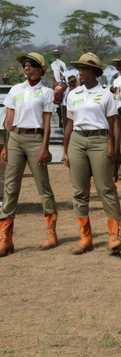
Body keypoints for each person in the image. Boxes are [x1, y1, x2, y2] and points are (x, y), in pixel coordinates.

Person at [61, 53, 121, 255]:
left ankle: (114, 236)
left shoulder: (105, 94)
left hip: (100, 140)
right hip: (77, 140)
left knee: (105, 188)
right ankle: (85, 238)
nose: (80, 73)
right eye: (79, 69)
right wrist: (65, 148)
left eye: (85, 69)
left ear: (95, 72)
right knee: (79, 191)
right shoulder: (73, 94)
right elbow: (69, 123)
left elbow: (114, 122)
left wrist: (114, 148)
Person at [0, 52, 57, 257]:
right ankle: (5, 238)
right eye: (25, 65)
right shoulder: (16, 90)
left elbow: (48, 122)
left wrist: (45, 147)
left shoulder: (46, 92)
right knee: (10, 186)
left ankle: (51, 232)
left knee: (43, 185)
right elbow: (8, 121)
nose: (27, 68)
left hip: (36, 138)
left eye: (32, 65)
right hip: (15, 138)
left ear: (41, 69)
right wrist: (6, 145)